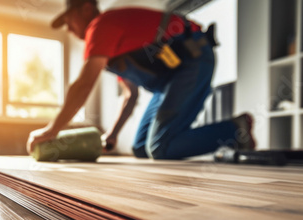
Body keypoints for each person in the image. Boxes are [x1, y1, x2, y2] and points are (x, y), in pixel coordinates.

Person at [27, 0, 255, 160]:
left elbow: (83, 84)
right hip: (168, 82)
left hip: (192, 59)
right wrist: (113, 135)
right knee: (140, 148)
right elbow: (130, 94)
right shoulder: (112, 50)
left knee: (160, 147)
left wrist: (51, 130)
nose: (68, 29)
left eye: (69, 21)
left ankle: (235, 130)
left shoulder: (100, 26)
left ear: (86, 9)